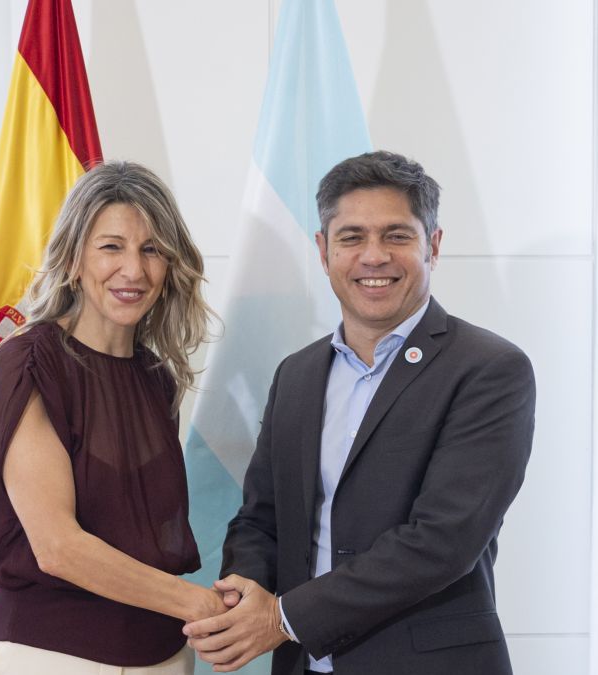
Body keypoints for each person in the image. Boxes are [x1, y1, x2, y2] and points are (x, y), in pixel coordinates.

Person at [184, 151, 536, 675]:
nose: (374, 256)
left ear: (433, 246)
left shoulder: (489, 369)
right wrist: (246, 593)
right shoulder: (297, 375)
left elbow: (442, 541)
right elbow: (262, 517)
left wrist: (281, 619)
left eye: (397, 235)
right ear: (324, 251)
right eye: (351, 237)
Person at [0, 161, 223, 675]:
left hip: (164, 655)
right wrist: (197, 605)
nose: (134, 270)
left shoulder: (156, 378)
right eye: (112, 247)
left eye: (151, 249)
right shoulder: (29, 362)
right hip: (45, 655)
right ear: (73, 258)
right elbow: (58, 548)